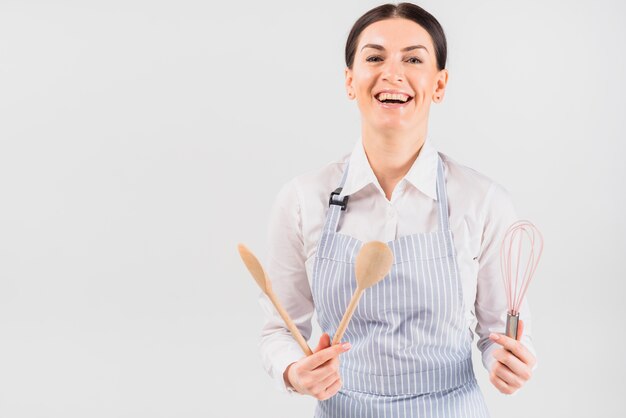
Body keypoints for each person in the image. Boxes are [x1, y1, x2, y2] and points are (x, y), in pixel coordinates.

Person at [258, 2, 537, 416]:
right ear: (350, 81)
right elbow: (280, 330)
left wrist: (506, 362)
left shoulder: (483, 200)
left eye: (413, 59)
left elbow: (500, 333)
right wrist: (295, 371)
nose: (393, 73)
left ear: (439, 85)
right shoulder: (302, 199)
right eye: (374, 57)